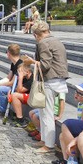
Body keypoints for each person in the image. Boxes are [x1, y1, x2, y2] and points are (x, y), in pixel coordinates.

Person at [21, 22, 68, 154]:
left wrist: (31, 62)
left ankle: (49, 145)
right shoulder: (56, 41)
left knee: (47, 113)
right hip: (57, 79)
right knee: (43, 112)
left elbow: (45, 65)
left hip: (50, 80)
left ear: (36, 35)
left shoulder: (43, 43)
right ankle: (44, 139)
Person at [0, 43, 22, 114]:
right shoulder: (13, 63)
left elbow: (12, 82)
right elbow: (8, 77)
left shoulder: (20, 65)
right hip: (14, 84)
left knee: (0, 89)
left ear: (9, 53)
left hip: (19, 86)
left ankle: (3, 110)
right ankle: (0, 107)